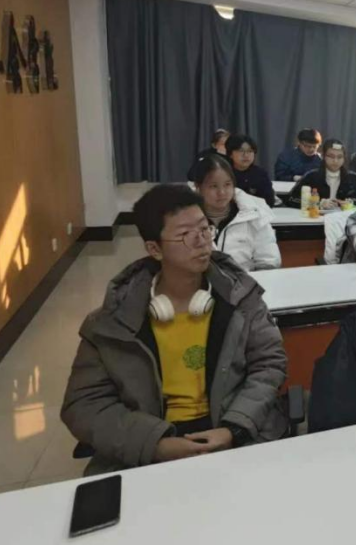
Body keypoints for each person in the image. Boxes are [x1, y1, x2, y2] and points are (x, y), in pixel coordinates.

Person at [61, 185, 287, 474]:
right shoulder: (113, 320)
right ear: (154, 249)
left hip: (234, 431)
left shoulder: (241, 298)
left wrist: (234, 428)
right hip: (149, 442)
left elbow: (269, 365)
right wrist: (155, 444)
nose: (202, 242)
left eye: (204, 229)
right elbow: (84, 404)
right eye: (185, 235)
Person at [192, 154, 280, 271]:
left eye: (227, 184)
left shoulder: (255, 214)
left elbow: (269, 261)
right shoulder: (185, 219)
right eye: (213, 186)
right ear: (198, 187)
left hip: (245, 280)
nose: (222, 192)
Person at [289, 139, 356, 209]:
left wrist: (352, 203)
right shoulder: (311, 177)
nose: (335, 161)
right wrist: (318, 204)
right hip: (316, 217)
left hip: (344, 217)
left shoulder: (354, 179)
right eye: (331, 156)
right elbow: (291, 199)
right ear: (323, 156)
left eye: (339, 157)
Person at [225, 133, 276, 207]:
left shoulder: (260, 174)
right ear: (230, 154)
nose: (246, 155)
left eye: (250, 151)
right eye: (241, 151)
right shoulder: (223, 173)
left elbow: (269, 201)